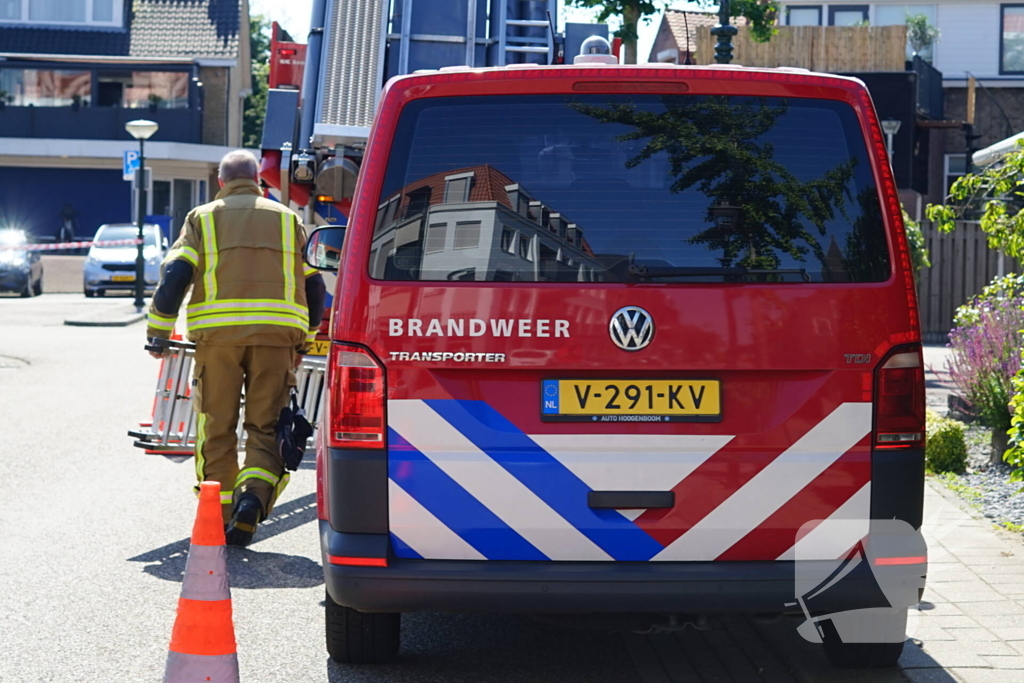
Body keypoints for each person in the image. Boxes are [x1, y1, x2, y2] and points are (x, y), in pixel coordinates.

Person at [145, 150, 326, 546]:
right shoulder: (287, 220)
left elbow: (176, 274)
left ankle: (221, 512)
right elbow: (315, 285)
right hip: (277, 339)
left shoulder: (203, 217)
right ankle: (252, 500)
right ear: (258, 181)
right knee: (266, 426)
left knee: (217, 424)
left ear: (221, 182)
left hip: (218, 339)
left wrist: (158, 332)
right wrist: (307, 338)